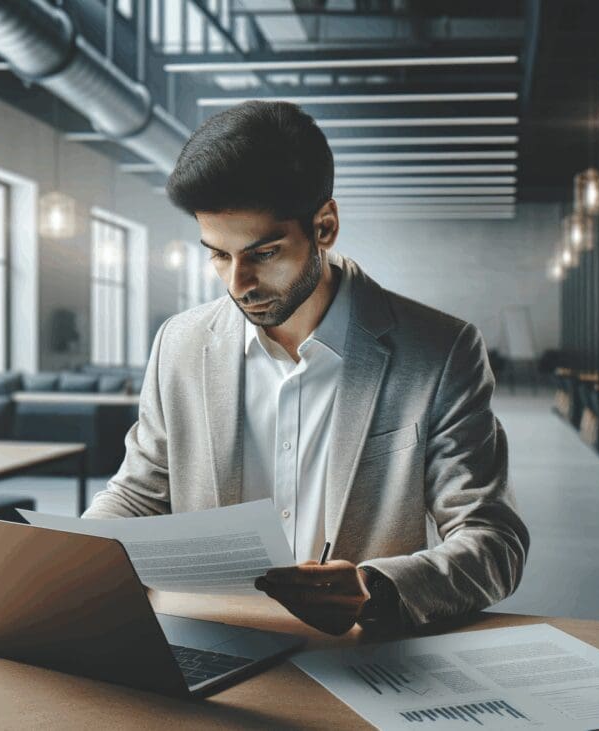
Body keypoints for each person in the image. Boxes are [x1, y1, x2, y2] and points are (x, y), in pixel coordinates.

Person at [84, 100, 528, 635]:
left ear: (325, 226)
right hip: (208, 643)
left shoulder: (442, 351)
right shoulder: (178, 344)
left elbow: (492, 540)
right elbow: (139, 493)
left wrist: (375, 589)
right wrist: (68, 562)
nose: (236, 283)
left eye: (263, 253)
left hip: (363, 657)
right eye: (219, 255)